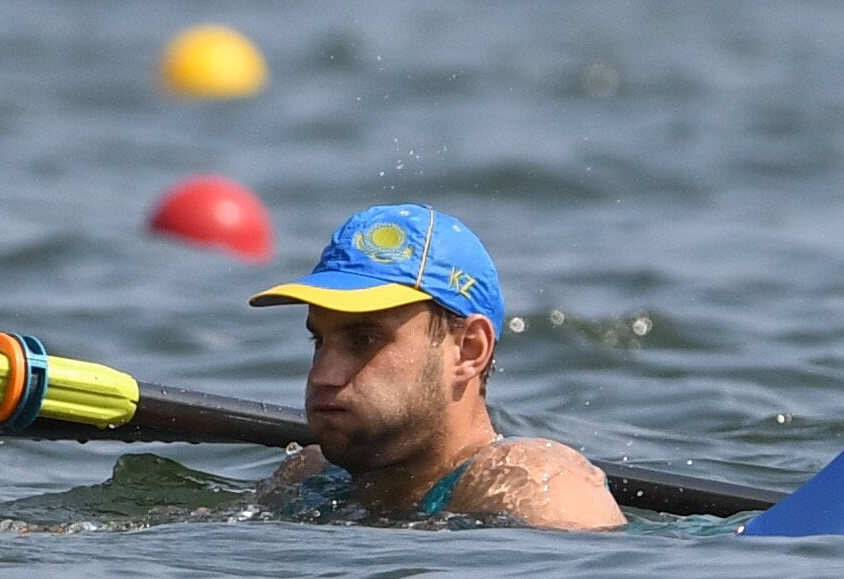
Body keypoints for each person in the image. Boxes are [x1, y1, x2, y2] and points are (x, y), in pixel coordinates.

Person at [248, 204, 624, 531]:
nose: (322, 376)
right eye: (320, 341)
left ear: (468, 350)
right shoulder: (310, 476)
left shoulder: (531, 485)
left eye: (365, 340)